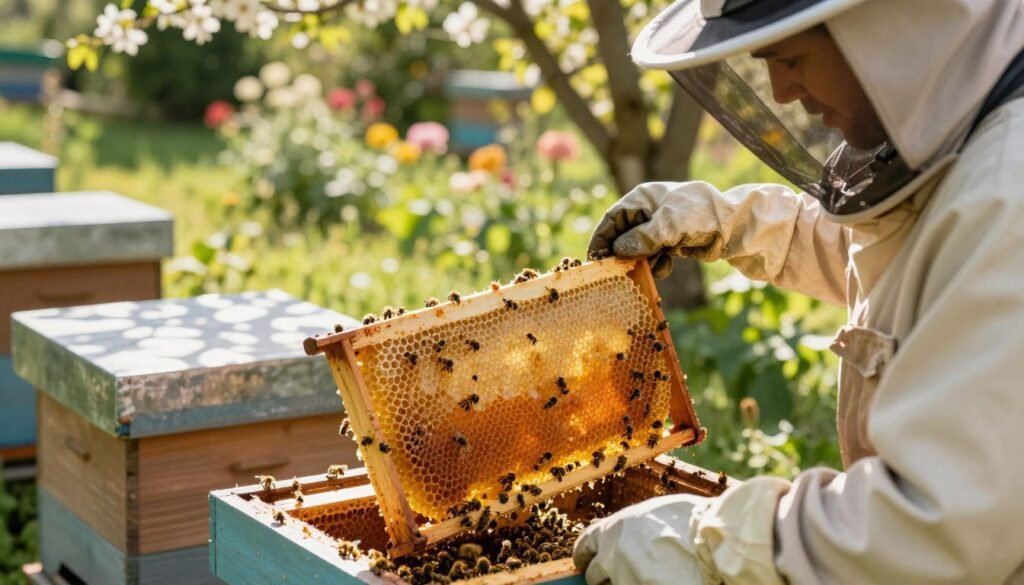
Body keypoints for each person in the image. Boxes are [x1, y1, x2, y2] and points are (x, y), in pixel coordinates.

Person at [574, 0, 1024, 583]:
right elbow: (906, 261)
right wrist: (730, 221)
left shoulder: (1007, 199)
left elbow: (931, 528)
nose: (782, 93)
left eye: (790, 57)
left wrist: (709, 546)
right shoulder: (974, 144)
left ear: (888, 29)